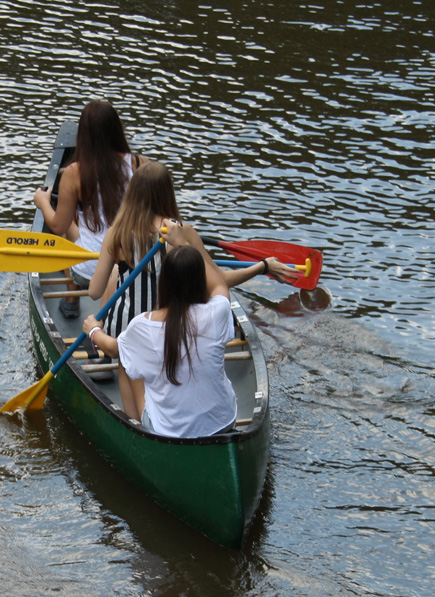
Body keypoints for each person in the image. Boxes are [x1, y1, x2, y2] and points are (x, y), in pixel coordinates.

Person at [86, 161, 298, 418]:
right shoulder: (182, 233)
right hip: (170, 323)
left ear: (133, 194)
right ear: (167, 193)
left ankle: (135, 424)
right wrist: (261, 267)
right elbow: (219, 281)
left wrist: (116, 271)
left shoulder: (115, 233)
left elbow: (95, 292)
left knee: (127, 367)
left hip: (124, 323)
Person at [83, 220, 260, 437]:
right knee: (133, 353)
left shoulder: (142, 325)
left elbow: (112, 348)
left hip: (169, 431)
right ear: (200, 281)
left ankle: (137, 431)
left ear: (164, 282)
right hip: (222, 422)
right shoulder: (219, 311)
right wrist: (182, 241)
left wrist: (93, 330)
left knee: (127, 360)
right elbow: (220, 283)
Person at [33, 100, 148, 318]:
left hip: (91, 273)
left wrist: (43, 202)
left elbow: (57, 226)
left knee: (68, 227)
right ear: (117, 130)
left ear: (83, 137)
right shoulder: (141, 164)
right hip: (134, 268)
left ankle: (71, 299)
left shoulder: (75, 172)